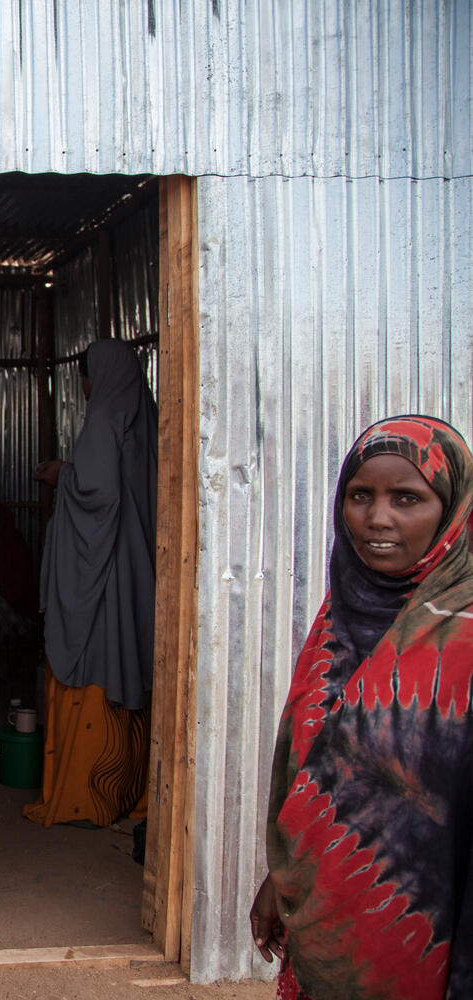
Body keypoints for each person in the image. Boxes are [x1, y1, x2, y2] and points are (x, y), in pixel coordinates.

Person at [248, 415, 473, 1000]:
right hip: (331, 930)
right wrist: (285, 873)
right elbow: (320, 770)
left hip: (428, 939)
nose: (378, 519)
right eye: (359, 496)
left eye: (407, 499)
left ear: (452, 512)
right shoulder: (338, 621)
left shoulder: (467, 637)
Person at [23, 339, 158, 828]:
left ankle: (84, 798)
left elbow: (96, 491)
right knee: (129, 661)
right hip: (138, 569)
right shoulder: (146, 417)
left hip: (108, 576)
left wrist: (63, 473)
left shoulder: (103, 421)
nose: (82, 389)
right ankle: (123, 793)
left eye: (83, 378)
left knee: (96, 656)